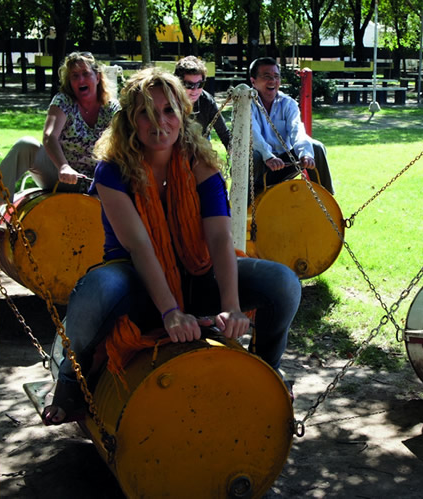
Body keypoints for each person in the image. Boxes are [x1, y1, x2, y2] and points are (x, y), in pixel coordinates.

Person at [42, 68, 301, 424]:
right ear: (130, 120)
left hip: (196, 273)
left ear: (182, 113)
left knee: (283, 282)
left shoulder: (201, 163)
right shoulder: (112, 170)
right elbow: (139, 246)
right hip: (136, 282)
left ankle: (266, 370)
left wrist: (231, 306)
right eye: (145, 112)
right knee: (95, 290)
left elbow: (219, 238)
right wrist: (171, 312)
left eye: (168, 111)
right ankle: (71, 384)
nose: (158, 123)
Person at [0, 52, 120, 204]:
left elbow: (125, 142)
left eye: (86, 74)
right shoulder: (63, 101)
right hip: (62, 176)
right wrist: (63, 166)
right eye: (74, 76)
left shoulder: (112, 107)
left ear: (98, 77)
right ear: (69, 82)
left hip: (98, 181)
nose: (81, 80)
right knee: (26, 145)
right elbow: (49, 136)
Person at [248, 57, 334, 196]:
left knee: (316, 148)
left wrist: (305, 154)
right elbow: (252, 134)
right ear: (253, 81)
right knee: (254, 156)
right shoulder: (245, 104)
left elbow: (297, 130)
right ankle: (247, 203)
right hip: (256, 166)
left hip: (282, 164)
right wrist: (268, 157)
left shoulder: (288, 103)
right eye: (267, 76)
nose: (272, 81)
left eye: (276, 77)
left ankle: (326, 201)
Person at [174, 55, 231, 150]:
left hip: (199, 143)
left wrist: (236, 155)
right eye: (189, 85)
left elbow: (224, 133)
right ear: (178, 83)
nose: (195, 90)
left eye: (200, 84)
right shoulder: (168, 101)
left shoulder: (207, 101)